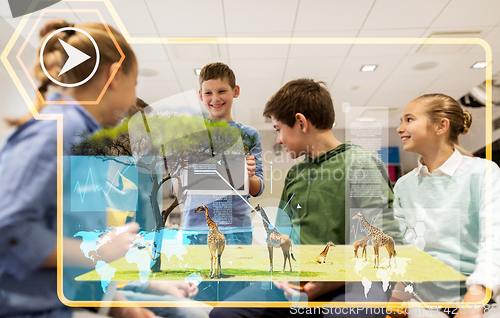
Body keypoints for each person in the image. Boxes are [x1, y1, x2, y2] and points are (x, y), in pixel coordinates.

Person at [0, 19, 205, 318]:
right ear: (114, 76)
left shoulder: (80, 137)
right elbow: (10, 230)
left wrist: (122, 309)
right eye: (134, 85)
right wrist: (95, 250)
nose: (133, 98)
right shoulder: (61, 129)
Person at [210, 78, 402, 318]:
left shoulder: (360, 163)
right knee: (224, 314)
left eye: (278, 129)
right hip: (299, 281)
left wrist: (331, 279)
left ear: (300, 122)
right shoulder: (295, 174)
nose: (278, 139)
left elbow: (386, 242)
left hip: (354, 281)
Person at [391, 93, 500, 318]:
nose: (400, 128)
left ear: (441, 126)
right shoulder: (404, 185)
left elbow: (494, 240)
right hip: (424, 303)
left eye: (409, 119)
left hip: (482, 300)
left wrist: (474, 300)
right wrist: (394, 300)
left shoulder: (484, 173)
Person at [173, 62, 265, 301]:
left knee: (233, 300)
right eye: (208, 93)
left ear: (235, 91)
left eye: (222, 91)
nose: (215, 98)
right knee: (196, 300)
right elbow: (176, 191)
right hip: (195, 229)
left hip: (236, 229)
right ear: (200, 95)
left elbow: (257, 188)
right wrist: (182, 173)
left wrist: (251, 176)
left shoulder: (249, 135)